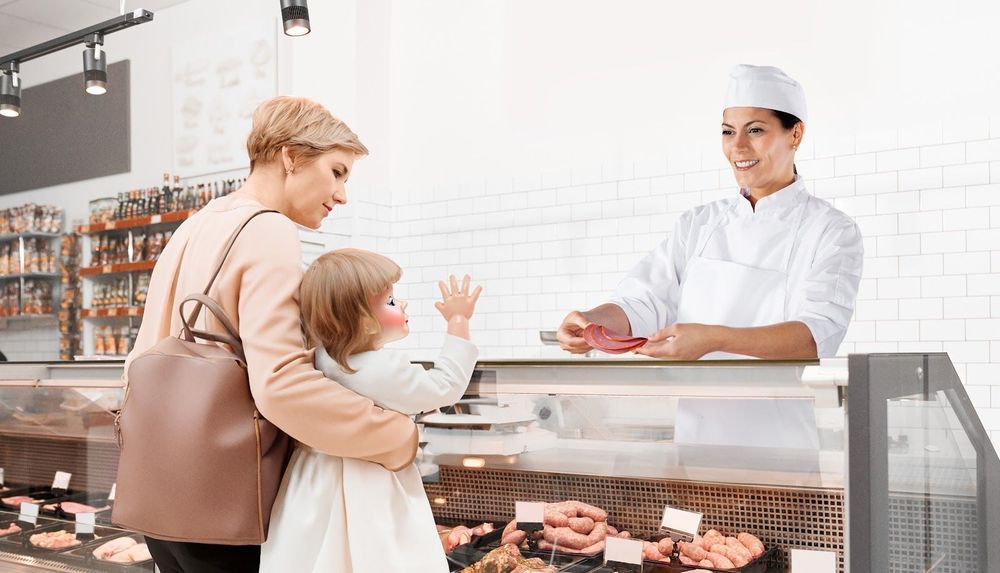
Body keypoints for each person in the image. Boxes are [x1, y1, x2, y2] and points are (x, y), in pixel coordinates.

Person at [123, 97, 419, 572]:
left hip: (159, 496)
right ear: (289, 157)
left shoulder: (195, 225)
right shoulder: (268, 230)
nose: (342, 194)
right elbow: (282, 386)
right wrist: (397, 436)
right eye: (338, 171)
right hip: (224, 502)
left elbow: (141, 359)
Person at [558, 64, 863, 361]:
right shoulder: (698, 225)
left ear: (795, 134)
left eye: (755, 130)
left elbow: (815, 336)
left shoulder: (831, 231)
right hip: (694, 408)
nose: (738, 147)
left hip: (779, 410)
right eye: (728, 132)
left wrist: (713, 339)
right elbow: (643, 302)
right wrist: (592, 322)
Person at [260, 250, 482, 573]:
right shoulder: (381, 368)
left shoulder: (320, 360)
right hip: (368, 484)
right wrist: (458, 322)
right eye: (390, 300)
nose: (401, 304)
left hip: (310, 481)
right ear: (363, 319)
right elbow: (444, 386)